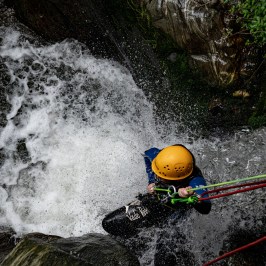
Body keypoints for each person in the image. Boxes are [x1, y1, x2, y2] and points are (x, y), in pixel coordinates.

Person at [143, 144, 211, 214]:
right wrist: (151, 182)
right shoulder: (161, 158)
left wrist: (191, 194)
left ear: (178, 179)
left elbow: (206, 208)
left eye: (162, 177)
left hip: (175, 209)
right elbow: (146, 154)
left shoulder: (195, 179)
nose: (157, 176)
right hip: (157, 196)